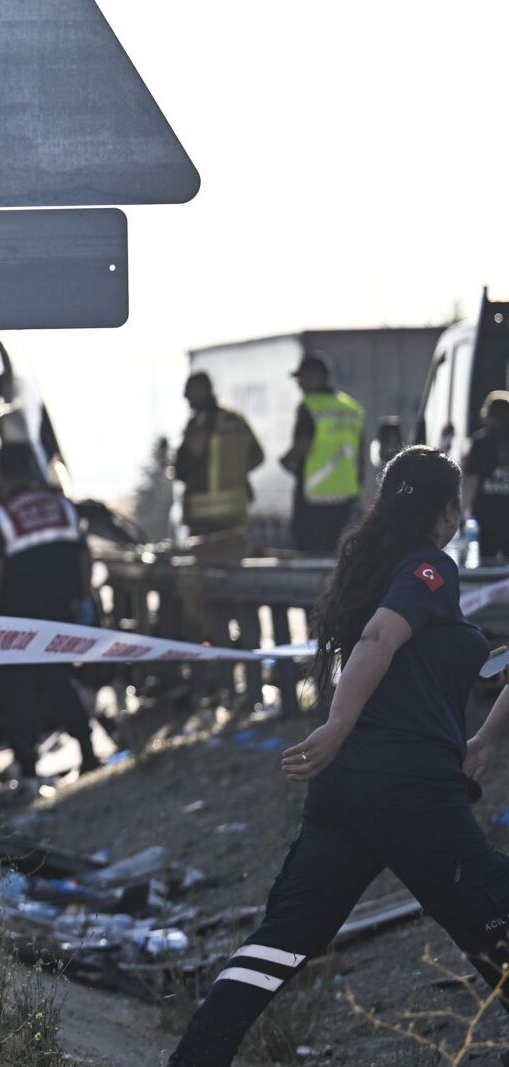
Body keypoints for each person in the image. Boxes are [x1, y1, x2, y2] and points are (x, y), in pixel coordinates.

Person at [169, 446, 509, 1065]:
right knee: (492, 911)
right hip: (412, 792)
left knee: (281, 942)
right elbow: (382, 636)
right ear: (439, 510)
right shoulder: (429, 570)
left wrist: (481, 738)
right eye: (455, 505)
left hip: (346, 795)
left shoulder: (373, 572)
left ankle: (195, 1057)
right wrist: (334, 726)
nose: (459, 518)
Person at [0, 442, 100, 778]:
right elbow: (83, 555)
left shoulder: (1, 515)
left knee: (18, 688)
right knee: (60, 681)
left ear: (0, 473)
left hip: (17, 616)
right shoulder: (61, 505)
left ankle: (29, 767)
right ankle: (88, 752)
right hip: (60, 610)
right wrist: (84, 597)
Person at [279, 351, 365, 553]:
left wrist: (285, 459)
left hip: (314, 499)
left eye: (301, 379)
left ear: (314, 376)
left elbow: (302, 446)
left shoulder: (310, 406)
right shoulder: (352, 408)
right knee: (339, 554)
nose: (299, 385)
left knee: (311, 554)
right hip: (346, 497)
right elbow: (360, 456)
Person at [173, 372, 264, 539]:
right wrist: (234, 474)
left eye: (189, 391)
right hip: (235, 511)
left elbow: (183, 466)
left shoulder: (199, 424)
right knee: (233, 557)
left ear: (203, 390)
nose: (185, 396)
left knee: (205, 561)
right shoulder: (236, 420)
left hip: (203, 513)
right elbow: (258, 456)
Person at [462, 390, 509, 562]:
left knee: (488, 564)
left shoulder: (480, 443)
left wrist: (461, 513)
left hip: (487, 517)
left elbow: (471, 483)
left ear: (487, 414)